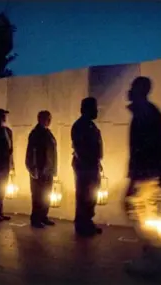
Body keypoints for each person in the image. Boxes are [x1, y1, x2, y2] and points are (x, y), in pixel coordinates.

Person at [123, 77, 161, 275]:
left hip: (144, 174)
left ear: (140, 90)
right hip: (150, 173)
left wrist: (134, 179)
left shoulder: (144, 114)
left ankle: (151, 260)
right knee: (145, 214)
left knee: (141, 214)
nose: (129, 90)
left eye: (133, 87)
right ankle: (152, 258)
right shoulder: (151, 112)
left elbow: (143, 149)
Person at [71, 97, 103, 236]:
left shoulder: (89, 125)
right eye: (95, 107)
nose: (97, 110)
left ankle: (87, 222)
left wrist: (97, 162)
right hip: (85, 166)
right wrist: (90, 163)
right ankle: (82, 224)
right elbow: (80, 148)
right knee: (84, 195)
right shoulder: (80, 125)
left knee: (90, 196)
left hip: (91, 165)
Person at [25, 110, 57, 228]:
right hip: (39, 169)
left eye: (50, 118)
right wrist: (33, 168)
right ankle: (36, 218)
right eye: (47, 118)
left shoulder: (47, 133)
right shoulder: (36, 133)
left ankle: (43, 216)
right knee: (38, 195)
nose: (49, 121)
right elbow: (31, 152)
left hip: (48, 169)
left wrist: (53, 169)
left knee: (46, 194)